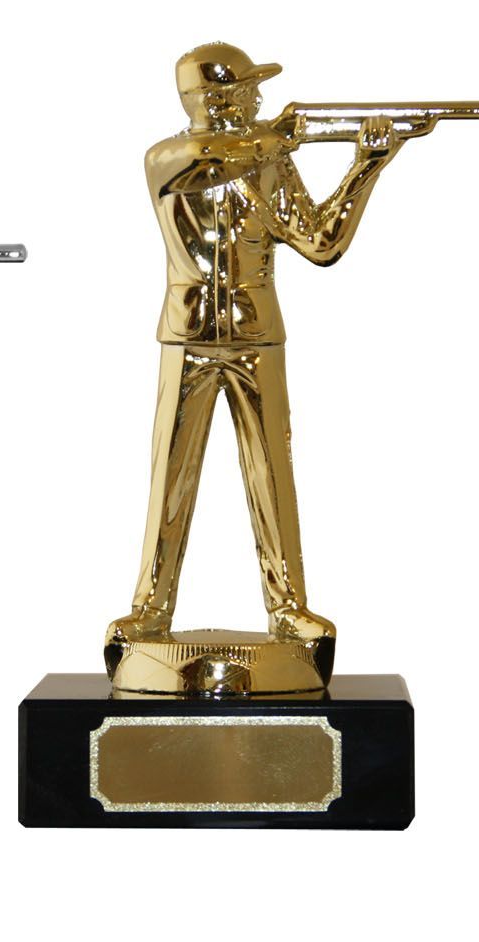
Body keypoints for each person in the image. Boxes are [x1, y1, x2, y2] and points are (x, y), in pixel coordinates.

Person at [107, 42, 411, 647]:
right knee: (170, 481)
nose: (258, 99)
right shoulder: (168, 158)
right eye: (247, 90)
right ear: (214, 99)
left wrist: (366, 166)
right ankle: (150, 610)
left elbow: (321, 243)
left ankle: (288, 607)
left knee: (273, 475)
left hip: (256, 336)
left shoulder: (269, 160)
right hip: (188, 337)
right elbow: (205, 162)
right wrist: (277, 139)